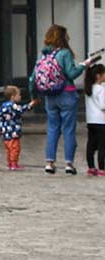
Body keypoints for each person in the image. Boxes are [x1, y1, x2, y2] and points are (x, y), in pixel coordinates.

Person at [34, 24, 83, 175]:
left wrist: (34, 95)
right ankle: (69, 163)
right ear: (62, 37)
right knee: (68, 129)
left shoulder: (44, 55)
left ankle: (49, 162)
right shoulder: (65, 53)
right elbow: (71, 74)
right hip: (66, 94)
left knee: (52, 129)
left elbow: (33, 77)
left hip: (50, 96)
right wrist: (83, 66)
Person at [0, 84, 33, 172]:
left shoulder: (3, 106)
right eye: (18, 95)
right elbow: (20, 110)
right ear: (13, 97)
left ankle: (9, 163)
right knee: (15, 148)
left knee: (8, 149)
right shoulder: (13, 106)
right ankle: (14, 163)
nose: (20, 97)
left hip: (5, 132)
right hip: (13, 131)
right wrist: (29, 105)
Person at [85, 64, 105, 176]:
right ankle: (102, 168)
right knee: (102, 145)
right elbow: (102, 105)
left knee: (91, 145)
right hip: (101, 121)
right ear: (99, 76)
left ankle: (91, 167)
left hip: (91, 120)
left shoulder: (89, 88)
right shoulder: (101, 89)